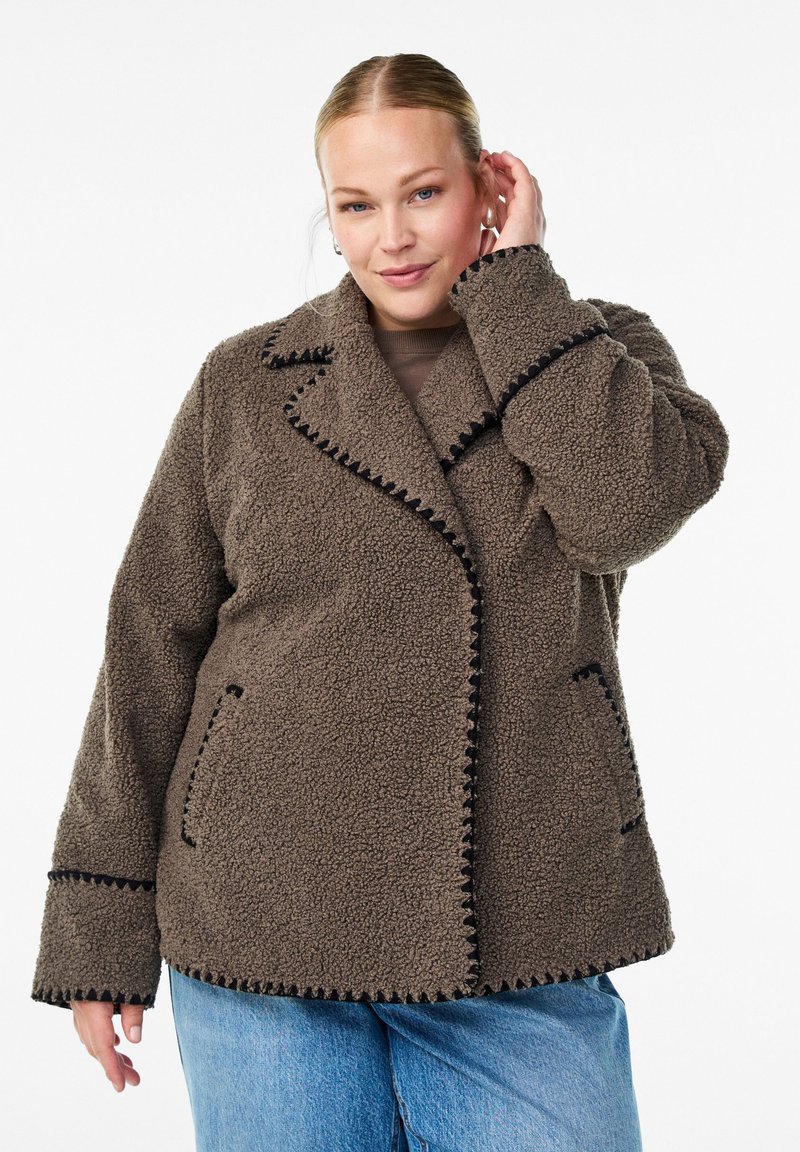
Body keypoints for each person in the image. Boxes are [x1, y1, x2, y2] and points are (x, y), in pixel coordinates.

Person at [30, 52, 730, 1151]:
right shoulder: (245, 383)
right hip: (261, 928)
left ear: (491, 186)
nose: (390, 237)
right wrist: (98, 926)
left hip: (517, 929)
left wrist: (518, 286)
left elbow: (624, 513)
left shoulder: (592, 352)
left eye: (423, 193)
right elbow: (148, 649)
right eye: (355, 205)